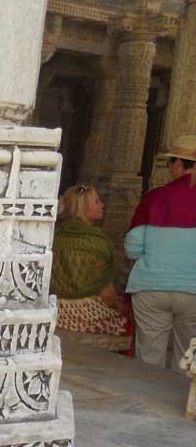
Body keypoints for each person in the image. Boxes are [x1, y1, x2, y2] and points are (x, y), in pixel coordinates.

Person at [125, 135, 196, 370]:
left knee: (149, 358)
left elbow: (132, 248)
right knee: (188, 359)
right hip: (193, 291)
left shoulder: (154, 198)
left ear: (178, 164)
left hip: (150, 286)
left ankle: (145, 393)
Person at [50, 184, 128, 336]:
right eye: (97, 201)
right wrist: (119, 307)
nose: (102, 205)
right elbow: (106, 294)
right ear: (82, 208)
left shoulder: (55, 237)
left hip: (56, 311)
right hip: (89, 315)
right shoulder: (97, 242)